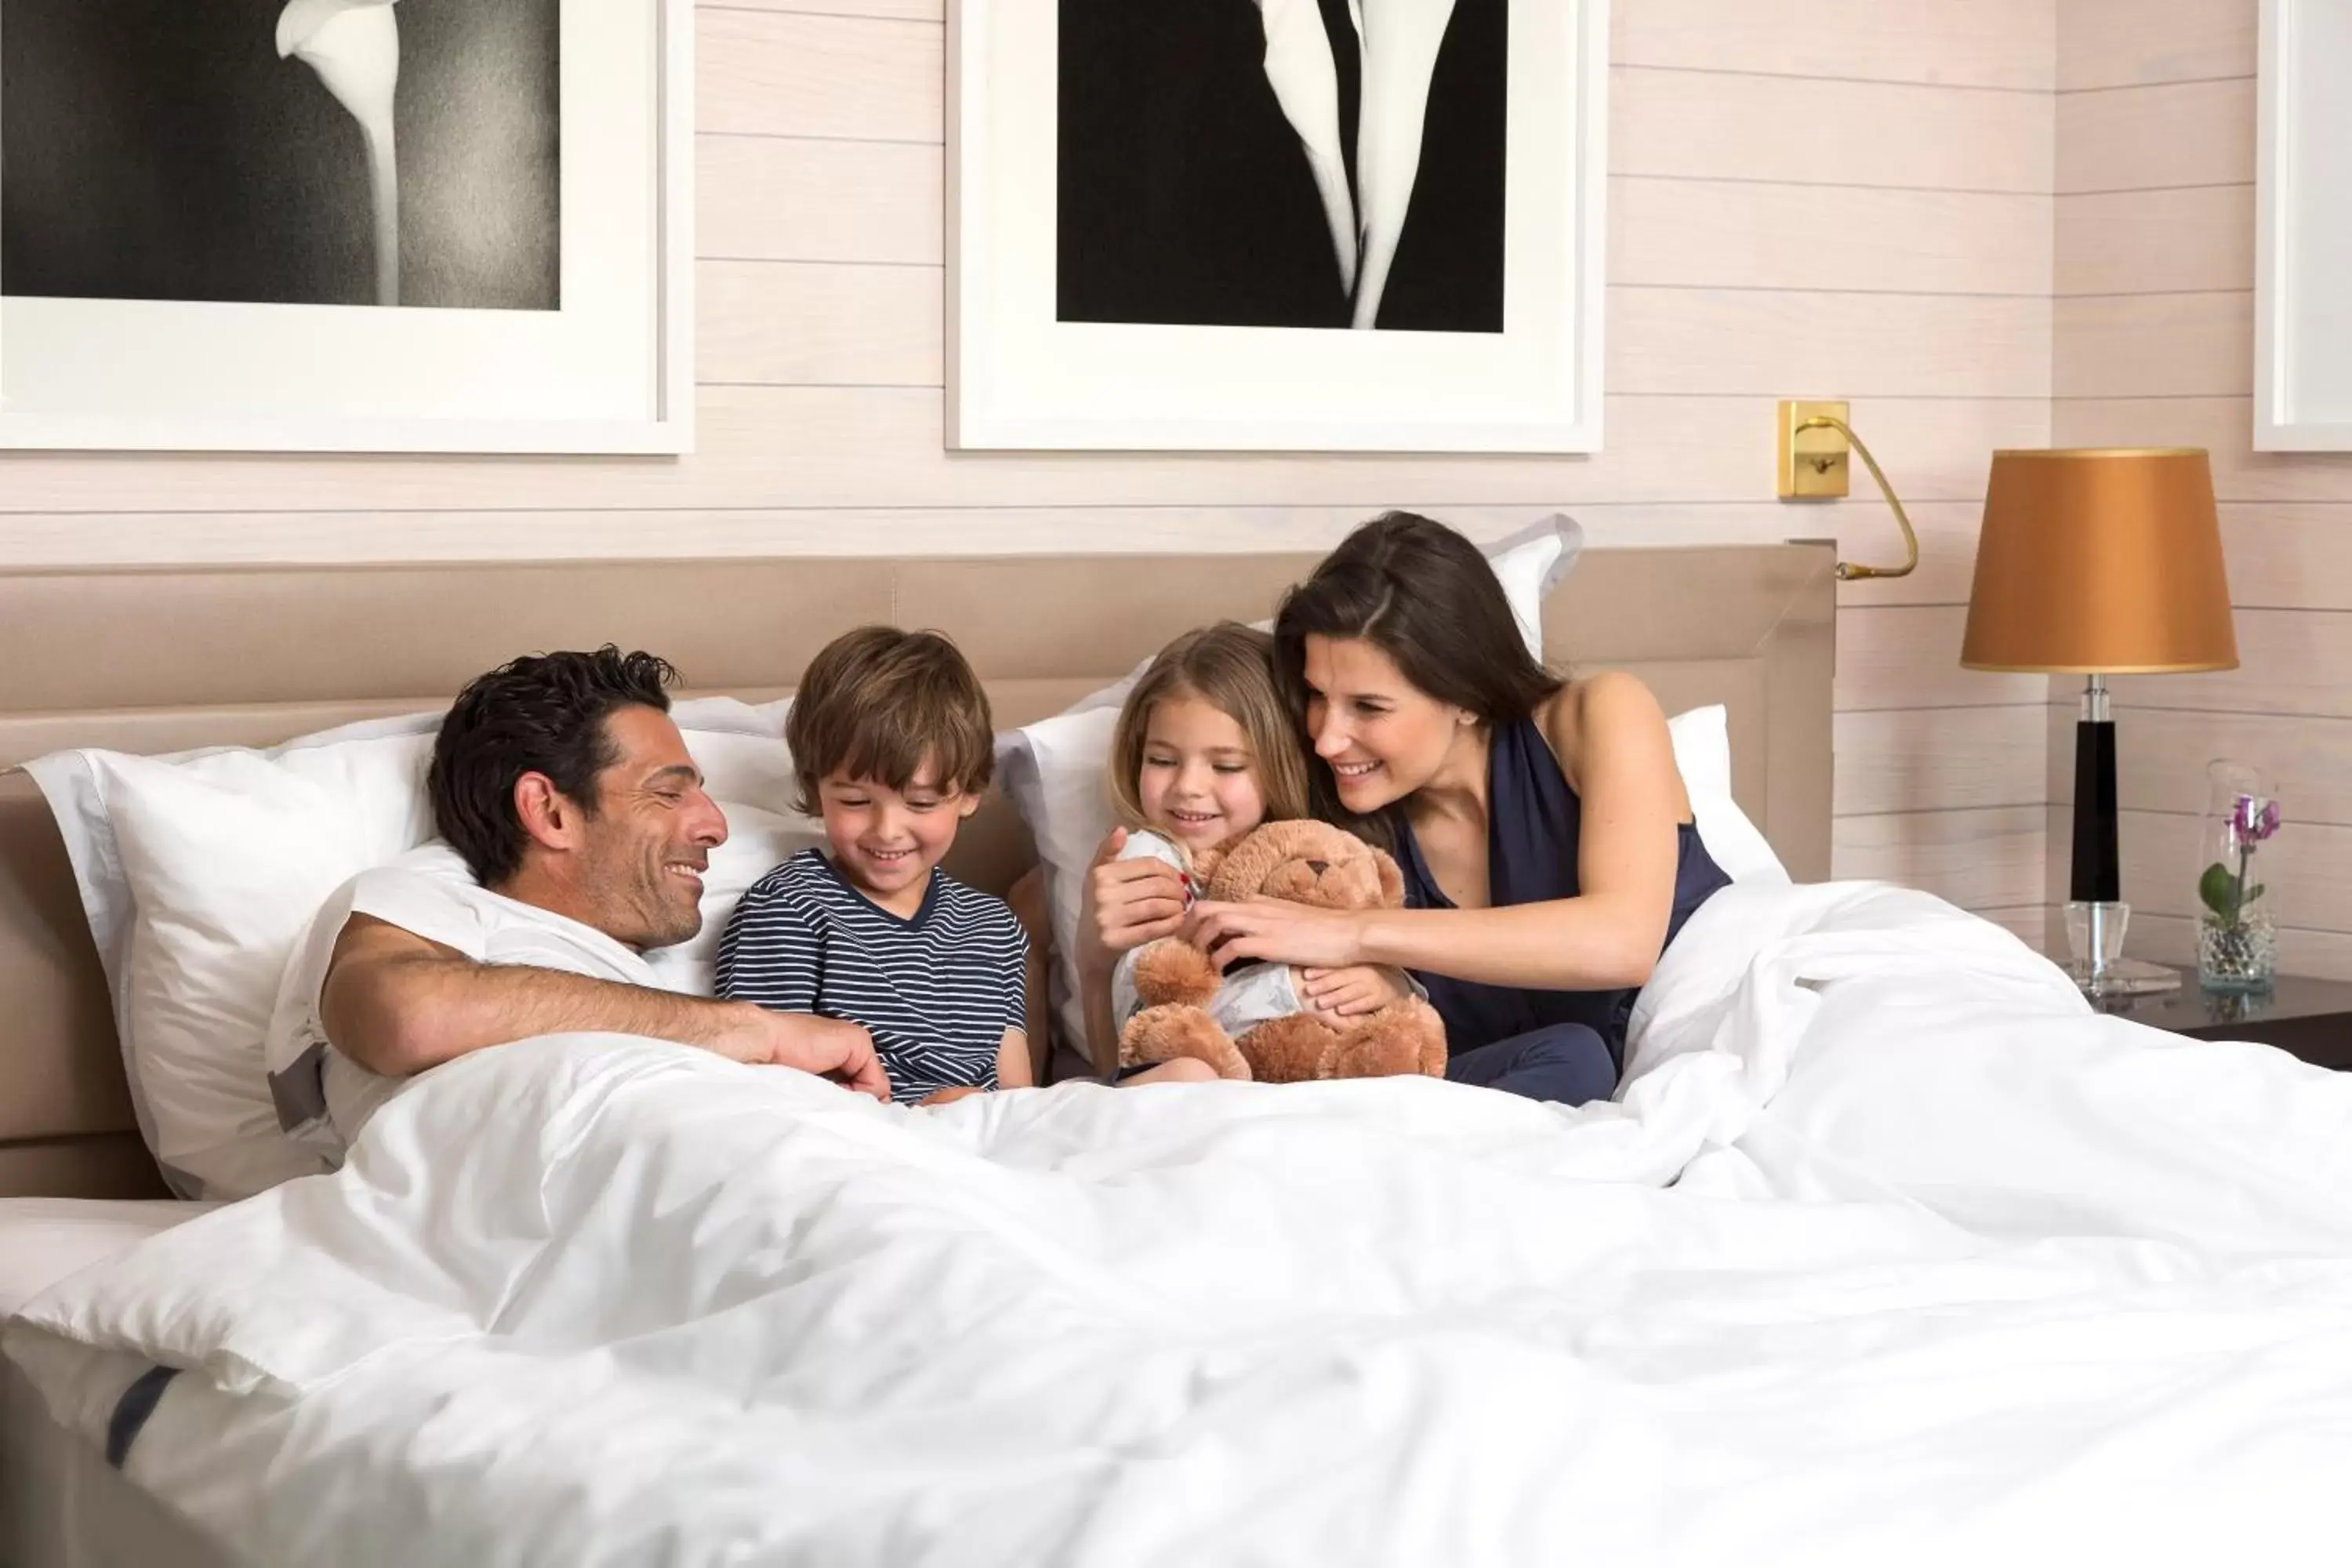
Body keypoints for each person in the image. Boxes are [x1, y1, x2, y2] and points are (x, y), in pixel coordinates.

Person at [1183, 514, 1733, 1107]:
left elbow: (1622, 942)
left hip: (1684, 1077)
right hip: (1478, 1115)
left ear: (1467, 696)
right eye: (1318, 696)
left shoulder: (1598, 716)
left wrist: (1358, 937)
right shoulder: (1338, 838)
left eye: (1369, 707)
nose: (1326, 739)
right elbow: (1197, 1005)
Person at [266, 648, 887, 1161]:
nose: (715, 826)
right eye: (668, 794)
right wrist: (760, 1034)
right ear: (550, 811)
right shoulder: (421, 900)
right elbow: (407, 1015)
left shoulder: (652, 979)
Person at [1050, 621, 1413, 1080]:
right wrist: (1292, 991)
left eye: (1226, 766)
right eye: (1161, 760)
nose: (1188, 788)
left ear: (1281, 764)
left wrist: (1387, 987)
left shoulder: (1319, 853)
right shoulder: (1150, 863)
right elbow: (1146, 1038)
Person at [714, 628, 1032, 1108]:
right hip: (867, 1147)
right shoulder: (791, 907)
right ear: (815, 788)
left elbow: (1020, 1102)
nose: (887, 830)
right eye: (856, 800)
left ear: (968, 794)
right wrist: (923, 1114)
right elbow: (763, 1088)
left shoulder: (995, 928)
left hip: (988, 1150)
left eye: (920, 803)